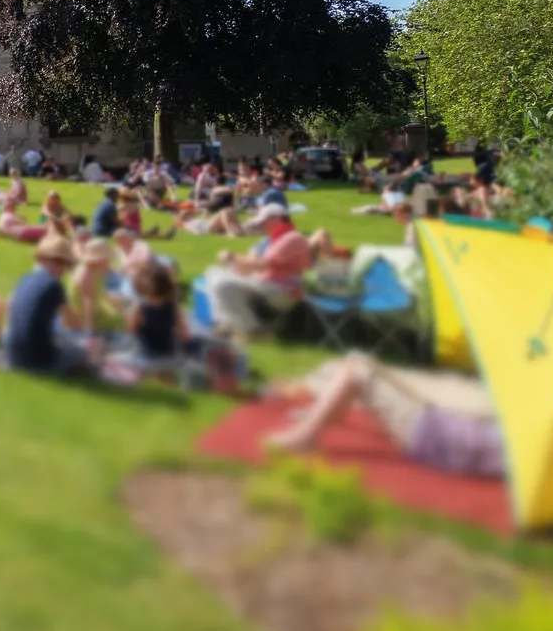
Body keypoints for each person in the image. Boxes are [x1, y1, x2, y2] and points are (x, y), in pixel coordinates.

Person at [264, 352, 504, 478]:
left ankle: (306, 436)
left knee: (359, 369)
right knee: (360, 365)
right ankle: (322, 410)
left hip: (436, 434)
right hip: (452, 433)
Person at [203, 204, 311, 336]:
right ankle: (227, 322)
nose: (262, 225)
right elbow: (254, 260)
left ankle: (251, 329)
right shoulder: (276, 238)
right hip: (269, 284)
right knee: (213, 273)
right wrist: (237, 262)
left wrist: (232, 258)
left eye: (264, 221)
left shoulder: (292, 238)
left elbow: (264, 265)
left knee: (223, 285)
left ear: (277, 218)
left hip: (283, 290)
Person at [4, 235, 92, 375]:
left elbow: (10, 307)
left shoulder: (24, 279)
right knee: (84, 349)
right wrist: (89, 335)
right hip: (39, 361)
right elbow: (73, 322)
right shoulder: (53, 285)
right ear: (62, 264)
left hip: (12, 354)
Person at [124, 260, 192, 381]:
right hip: (168, 352)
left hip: (145, 355)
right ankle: (162, 374)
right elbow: (184, 335)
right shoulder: (173, 307)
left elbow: (131, 332)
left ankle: (153, 374)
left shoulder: (139, 308)